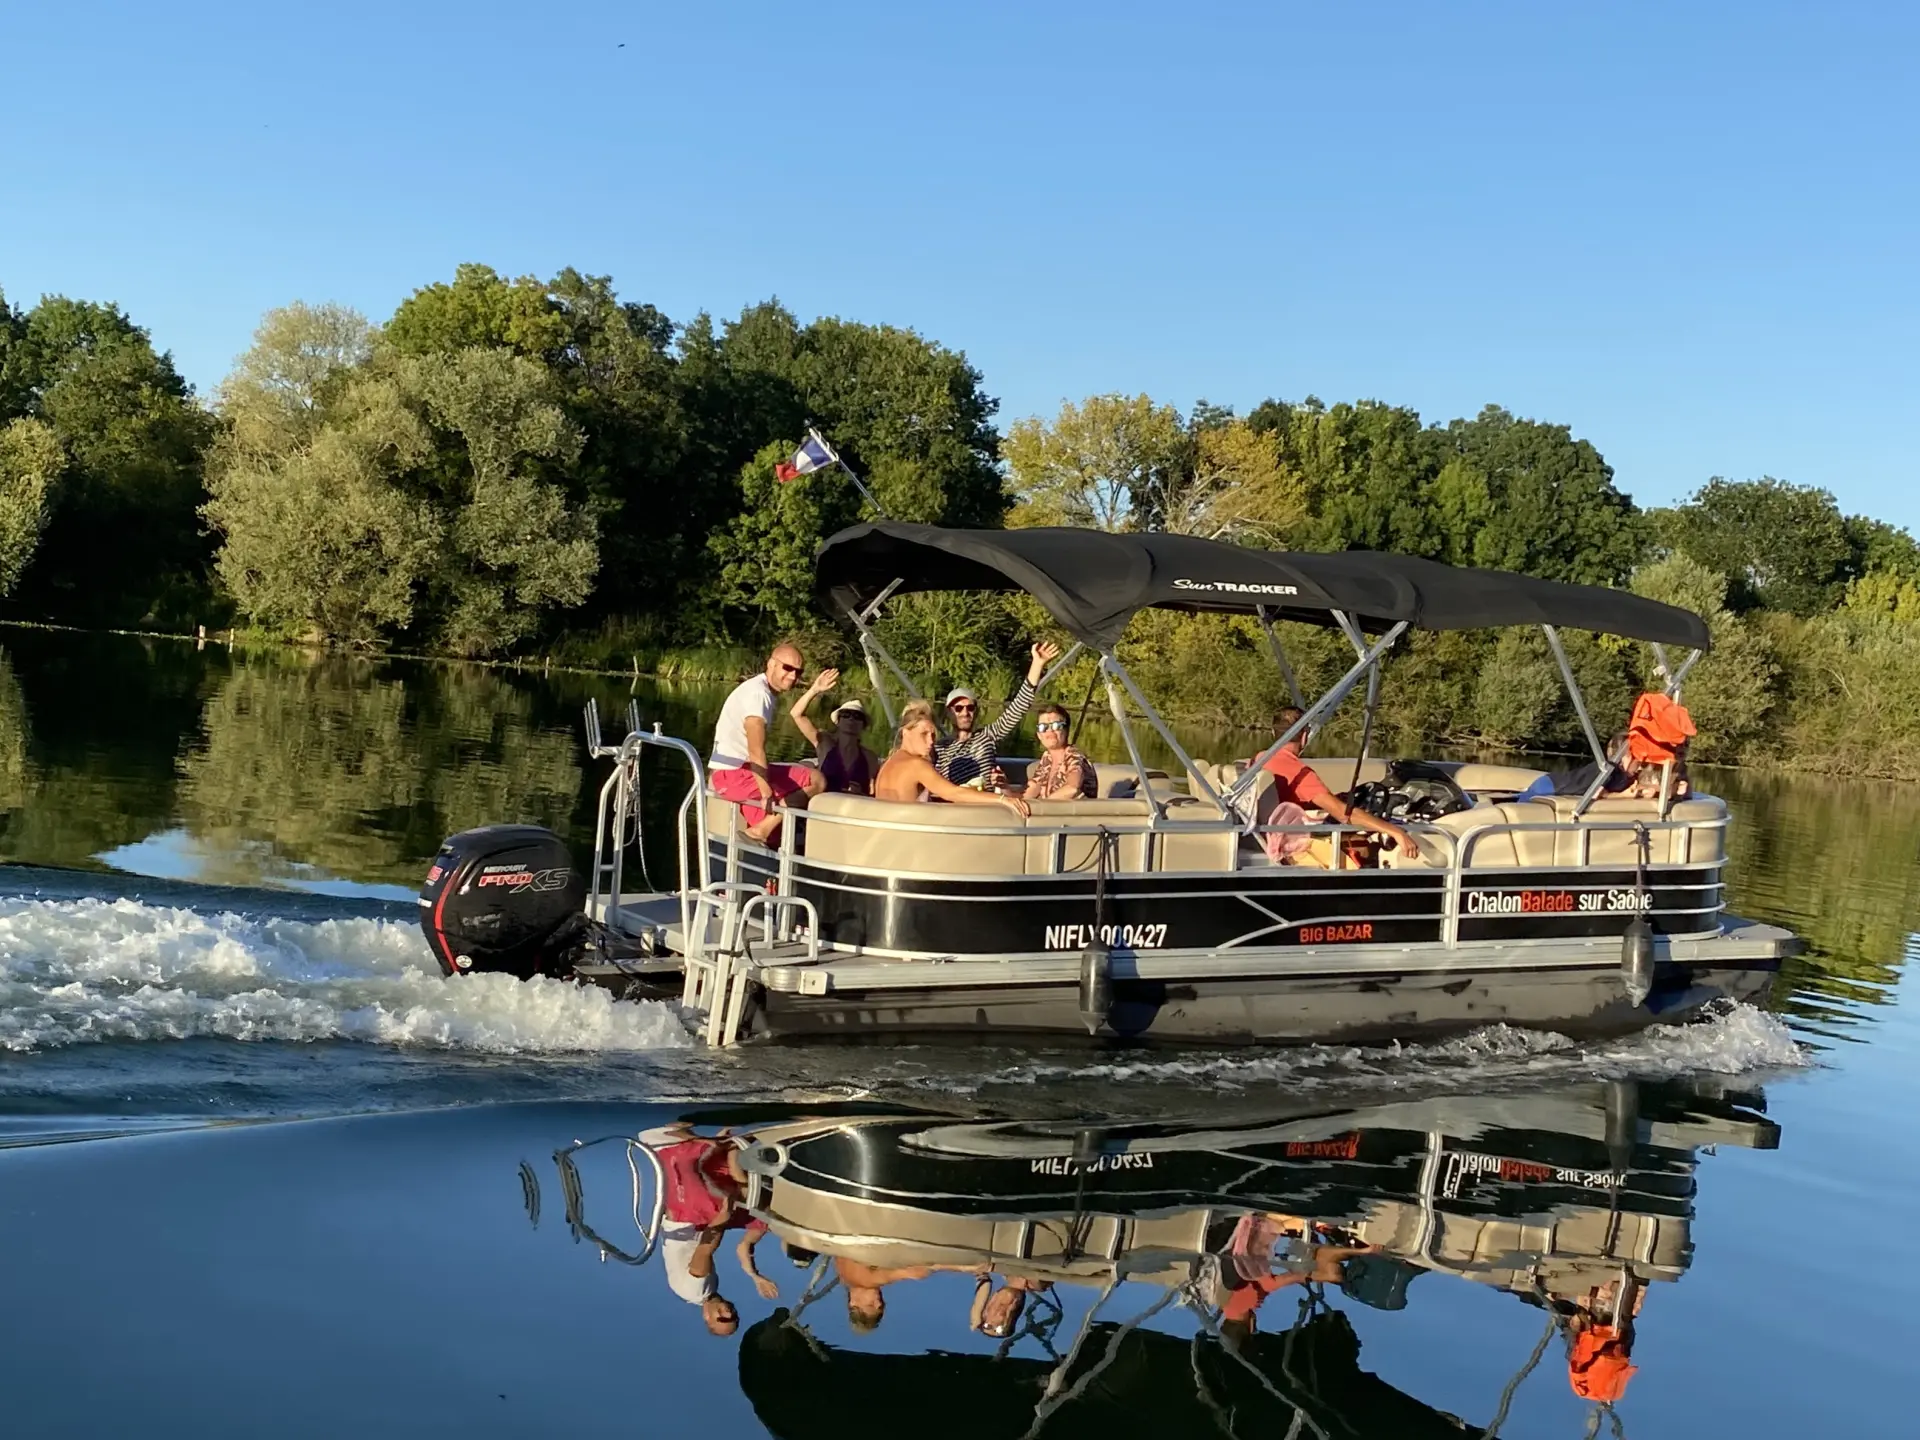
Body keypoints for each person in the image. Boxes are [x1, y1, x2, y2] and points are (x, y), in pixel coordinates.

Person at [638, 1123, 769, 1337]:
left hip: (686, 1219)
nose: (728, 1311)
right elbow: (735, 1247)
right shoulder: (708, 1289)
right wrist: (756, 1276)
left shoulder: (697, 1291)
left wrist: (724, 1215)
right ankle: (734, 1143)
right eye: (734, 1316)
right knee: (756, 1212)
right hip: (694, 1223)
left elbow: (705, 1248)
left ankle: (681, 1140)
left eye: (723, 1318)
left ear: (707, 1318)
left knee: (729, 1193)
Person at [1260, 707, 1418, 862]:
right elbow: (1344, 814)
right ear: (1304, 735)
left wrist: (1335, 798)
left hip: (1267, 834)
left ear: (1274, 733)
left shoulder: (1260, 759)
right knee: (1366, 848)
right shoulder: (1300, 773)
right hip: (1291, 844)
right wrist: (1396, 832)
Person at [709, 643, 827, 843]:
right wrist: (766, 792)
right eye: (787, 668)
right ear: (771, 664)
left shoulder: (757, 689)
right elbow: (755, 749)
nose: (792, 676)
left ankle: (762, 841)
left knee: (776, 829)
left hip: (726, 777)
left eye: (798, 672)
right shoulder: (759, 695)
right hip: (737, 775)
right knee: (816, 779)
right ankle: (761, 830)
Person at [936, 641, 1061, 787]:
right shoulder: (939, 748)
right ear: (948, 712)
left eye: (970, 707)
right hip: (953, 803)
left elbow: (1018, 707)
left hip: (987, 804)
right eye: (958, 708)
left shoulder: (987, 736)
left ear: (976, 711)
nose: (965, 712)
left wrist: (1037, 665)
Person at [876, 702, 1032, 818]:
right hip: (910, 840)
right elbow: (953, 793)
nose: (931, 742)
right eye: (923, 734)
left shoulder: (889, 763)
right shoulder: (916, 765)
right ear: (905, 733)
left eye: (933, 735)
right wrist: (1003, 799)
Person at [788, 667, 878, 795]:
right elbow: (796, 714)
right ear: (838, 720)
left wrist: (860, 793)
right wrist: (815, 689)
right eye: (846, 714)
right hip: (824, 806)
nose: (851, 719)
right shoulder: (825, 742)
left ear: (863, 725)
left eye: (857, 716)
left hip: (853, 807)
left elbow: (873, 793)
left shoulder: (870, 758)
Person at [1022, 704, 1097, 799]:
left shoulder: (1075, 756)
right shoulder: (1047, 757)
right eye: (1043, 727)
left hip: (1073, 813)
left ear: (1066, 730)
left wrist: (1044, 806)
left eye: (1056, 725)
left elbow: (1072, 789)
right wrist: (1005, 791)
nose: (1050, 731)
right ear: (1039, 735)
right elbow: (1032, 791)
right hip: (1050, 812)